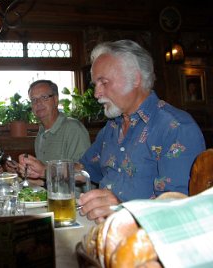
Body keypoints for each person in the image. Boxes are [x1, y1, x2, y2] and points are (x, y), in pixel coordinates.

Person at [18, 40, 205, 223]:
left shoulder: (176, 128)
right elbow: (85, 170)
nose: (97, 93)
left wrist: (122, 210)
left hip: (146, 245)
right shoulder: (112, 127)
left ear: (135, 78)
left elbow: (182, 210)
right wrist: (46, 171)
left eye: (104, 82)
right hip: (101, 228)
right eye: (95, 84)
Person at [6, 80, 91, 177]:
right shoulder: (41, 134)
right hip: (49, 191)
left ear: (55, 100)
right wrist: (21, 172)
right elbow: (44, 180)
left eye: (44, 97)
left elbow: (84, 174)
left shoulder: (73, 129)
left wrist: (46, 171)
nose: (38, 103)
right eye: (33, 100)